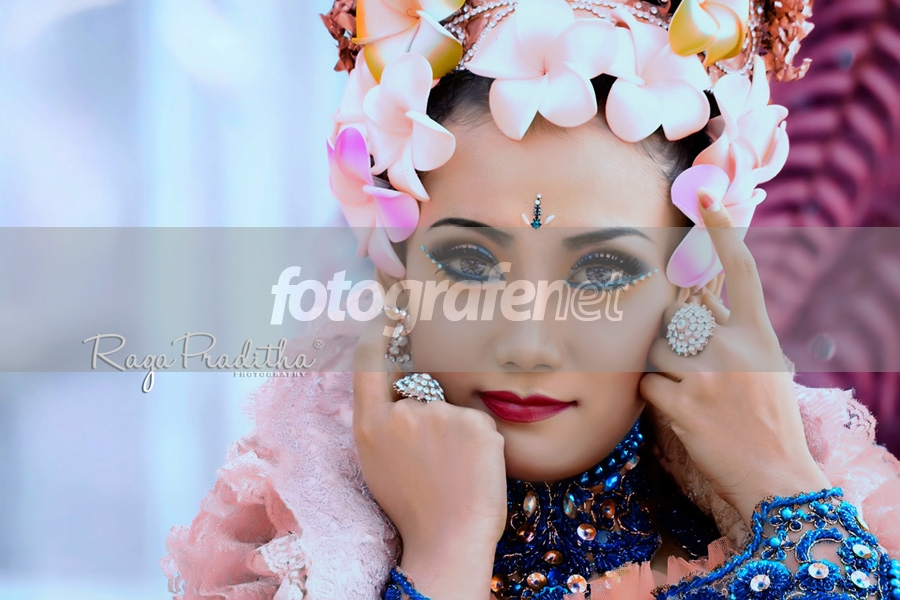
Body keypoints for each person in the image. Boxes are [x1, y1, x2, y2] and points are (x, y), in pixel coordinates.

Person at [161, 0, 900, 598]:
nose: (527, 342)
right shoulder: (300, 544)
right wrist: (444, 553)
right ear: (397, 269)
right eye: (471, 265)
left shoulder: (828, 506)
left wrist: (783, 489)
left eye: (601, 273)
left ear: (695, 279)